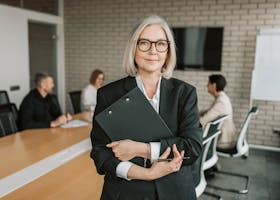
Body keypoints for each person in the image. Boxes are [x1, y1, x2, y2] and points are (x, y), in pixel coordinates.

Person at [90, 15, 202, 200]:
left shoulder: (185, 93)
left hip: (174, 191)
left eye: (160, 44)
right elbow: (100, 152)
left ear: (168, 52)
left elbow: (193, 148)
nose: (152, 50)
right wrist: (147, 174)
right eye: (144, 43)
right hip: (125, 191)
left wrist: (140, 149)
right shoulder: (108, 94)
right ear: (133, 49)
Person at [200, 74, 237, 149]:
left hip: (224, 142)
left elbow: (203, 120)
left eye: (208, 83)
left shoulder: (221, 102)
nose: (206, 85)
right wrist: (199, 112)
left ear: (214, 85)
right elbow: (210, 111)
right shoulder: (222, 98)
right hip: (225, 138)